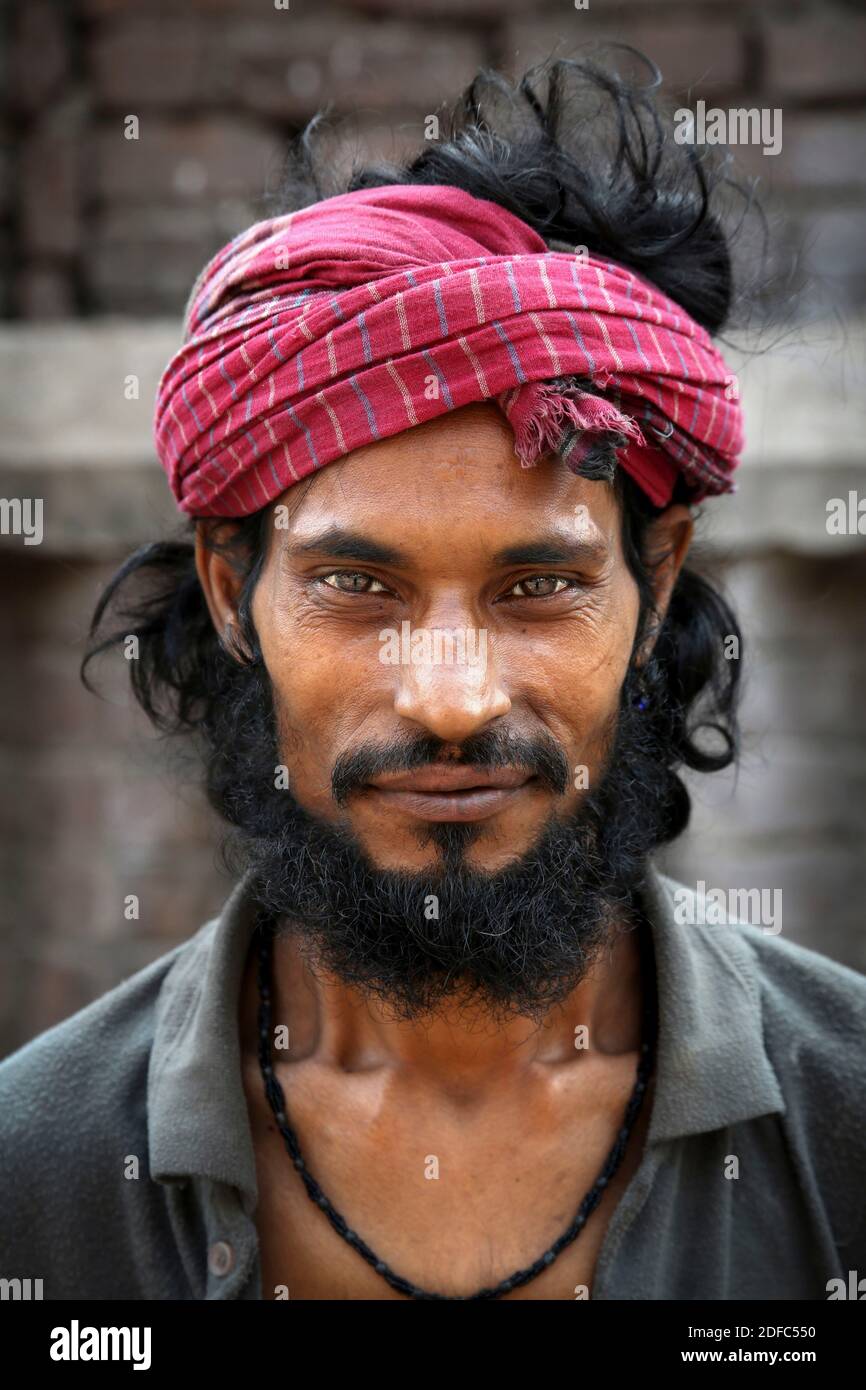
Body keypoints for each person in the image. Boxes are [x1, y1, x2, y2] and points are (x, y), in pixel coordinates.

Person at [1, 55, 864, 1302]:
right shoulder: (44, 1177)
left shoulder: (840, 1126)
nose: (450, 699)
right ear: (234, 591)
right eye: (357, 587)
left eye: (536, 589)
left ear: (656, 582)